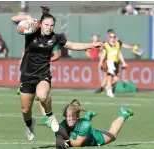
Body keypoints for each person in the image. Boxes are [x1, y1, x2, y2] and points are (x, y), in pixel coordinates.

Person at [11, 6, 103, 141]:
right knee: (26, 111)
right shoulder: (31, 31)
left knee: (42, 96)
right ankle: (30, 125)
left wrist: (91, 45)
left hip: (43, 74)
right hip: (26, 75)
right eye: (47, 24)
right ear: (40, 24)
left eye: (52, 25)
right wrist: (27, 17)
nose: (49, 27)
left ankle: (50, 115)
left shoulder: (56, 38)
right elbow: (13, 19)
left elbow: (73, 45)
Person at [55, 99, 134, 149]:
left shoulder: (85, 125)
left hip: (95, 138)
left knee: (113, 134)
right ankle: (88, 116)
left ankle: (124, 114)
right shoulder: (63, 124)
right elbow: (58, 137)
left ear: (77, 116)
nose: (68, 119)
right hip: (83, 129)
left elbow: (78, 144)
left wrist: (67, 140)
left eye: (71, 116)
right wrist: (60, 141)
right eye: (66, 116)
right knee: (82, 124)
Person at [17, 45, 60, 128]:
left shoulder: (52, 40)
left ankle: (48, 117)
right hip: (30, 73)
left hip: (43, 73)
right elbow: (25, 49)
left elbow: (57, 55)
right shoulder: (33, 38)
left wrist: (46, 60)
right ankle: (46, 118)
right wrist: (23, 58)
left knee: (40, 97)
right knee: (36, 99)